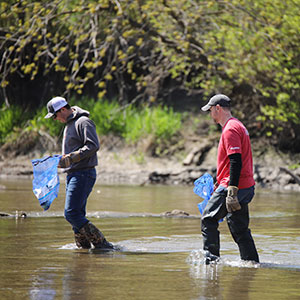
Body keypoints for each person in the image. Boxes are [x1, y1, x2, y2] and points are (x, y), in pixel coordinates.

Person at [45, 96, 114, 250]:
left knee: (71, 214)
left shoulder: (83, 122)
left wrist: (70, 158)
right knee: (77, 214)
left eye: (55, 116)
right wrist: (62, 159)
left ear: (62, 110)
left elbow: (93, 145)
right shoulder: (69, 124)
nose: (55, 119)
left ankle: (103, 245)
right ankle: (83, 250)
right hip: (73, 174)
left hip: (83, 174)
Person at [200, 94, 259, 264]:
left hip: (234, 185)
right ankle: (252, 264)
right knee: (239, 229)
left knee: (208, 219)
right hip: (244, 185)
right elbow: (231, 161)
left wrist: (231, 191)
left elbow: (235, 160)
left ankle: (211, 263)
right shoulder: (237, 125)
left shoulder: (230, 129)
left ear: (218, 108)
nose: (210, 114)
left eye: (211, 110)